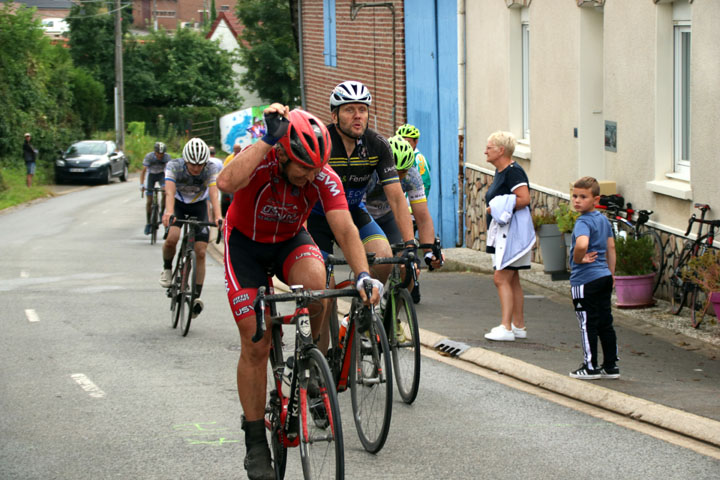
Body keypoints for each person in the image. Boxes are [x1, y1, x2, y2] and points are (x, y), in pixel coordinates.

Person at [216, 104, 383, 480]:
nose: (310, 176)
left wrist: (362, 275)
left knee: (317, 285)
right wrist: (266, 140)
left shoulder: (321, 174)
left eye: (316, 168)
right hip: (245, 246)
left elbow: (345, 229)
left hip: (289, 240)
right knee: (256, 342)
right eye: (303, 167)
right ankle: (256, 443)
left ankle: (309, 362)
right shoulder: (263, 158)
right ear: (284, 155)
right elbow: (226, 183)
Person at [364, 135, 444, 303]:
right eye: (395, 172)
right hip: (365, 217)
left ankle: (393, 317)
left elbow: (422, 217)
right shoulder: (369, 174)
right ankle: (363, 311)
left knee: (411, 267)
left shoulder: (413, 176)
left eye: (403, 172)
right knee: (374, 264)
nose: (399, 177)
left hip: (389, 217)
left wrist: (429, 252)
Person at [159, 137, 222, 320]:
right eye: (192, 164)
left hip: (198, 206)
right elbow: (169, 192)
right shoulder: (174, 166)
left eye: (200, 165)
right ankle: (168, 268)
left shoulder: (210, 168)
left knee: (201, 251)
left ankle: (196, 297)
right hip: (178, 204)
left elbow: (213, 193)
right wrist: (169, 212)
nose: (196, 168)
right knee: (172, 238)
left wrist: (218, 216)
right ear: (185, 160)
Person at [482, 131, 535, 342]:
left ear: (501, 150)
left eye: (489, 147)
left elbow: (524, 198)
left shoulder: (513, 172)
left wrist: (494, 207)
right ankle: (518, 325)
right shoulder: (501, 171)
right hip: (504, 233)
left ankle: (506, 327)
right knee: (512, 280)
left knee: (501, 278)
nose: (485, 151)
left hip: (510, 234)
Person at [568, 176, 618, 379]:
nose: (577, 200)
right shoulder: (603, 219)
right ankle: (611, 365)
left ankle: (590, 366)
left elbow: (581, 244)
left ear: (595, 199)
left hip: (584, 280)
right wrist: (611, 274)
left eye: (583, 197)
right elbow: (611, 247)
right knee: (605, 321)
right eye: (574, 196)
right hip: (604, 276)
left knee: (587, 322)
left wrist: (578, 259)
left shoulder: (583, 221)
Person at [140, 142, 171, 235]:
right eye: (158, 153)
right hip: (151, 176)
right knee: (149, 201)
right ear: (155, 152)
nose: (160, 156)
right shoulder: (149, 157)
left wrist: (170, 185)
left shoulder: (167, 157)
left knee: (165, 192)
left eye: (162, 154)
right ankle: (148, 223)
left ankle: (162, 212)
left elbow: (170, 171)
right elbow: (143, 171)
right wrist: (142, 184)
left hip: (161, 175)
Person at [396, 123, 430, 197]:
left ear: (416, 142)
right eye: (402, 141)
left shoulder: (419, 159)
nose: (404, 145)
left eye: (408, 142)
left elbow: (424, 185)